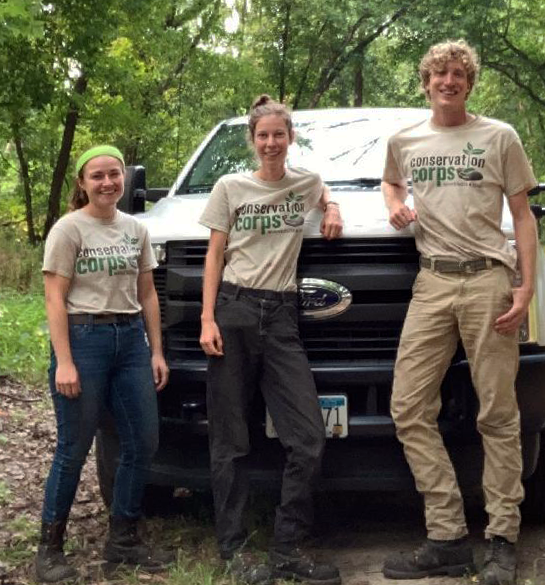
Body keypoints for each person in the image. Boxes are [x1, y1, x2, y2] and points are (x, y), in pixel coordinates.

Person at [380, 40, 538, 585]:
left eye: (458, 74)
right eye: (439, 73)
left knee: (496, 413)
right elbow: (391, 179)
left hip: (488, 282)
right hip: (432, 282)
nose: (448, 81)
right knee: (408, 407)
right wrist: (394, 204)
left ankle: (501, 539)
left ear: (469, 83)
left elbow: (523, 215)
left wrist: (525, 287)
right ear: (425, 81)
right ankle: (447, 535)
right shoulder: (405, 140)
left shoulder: (500, 137)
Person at [199, 95, 344, 585]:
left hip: (283, 316)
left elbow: (323, 192)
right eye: (262, 135)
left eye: (279, 134)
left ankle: (287, 548)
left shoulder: (305, 182)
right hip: (234, 311)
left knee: (306, 438)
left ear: (290, 137)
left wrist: (333, 206)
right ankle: (235, 550)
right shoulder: (229, 187)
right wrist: (206, 318)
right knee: (231, 440)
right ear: (252, 140)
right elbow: (214, 255)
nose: (271, 143)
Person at [36, 145, 172, 582]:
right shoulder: (68, 229)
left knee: (142, 441)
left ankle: (124, 539)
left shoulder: (136, 229)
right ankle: (50, 550)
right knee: (73, 447)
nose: (108, 182)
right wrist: (64, 362)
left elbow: (148, 292)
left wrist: (156, 350)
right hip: (83, 338)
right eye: (97, 176)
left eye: (115, 174)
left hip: (131, 340)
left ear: (125, 179)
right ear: (82, 182)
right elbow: (54, 297)